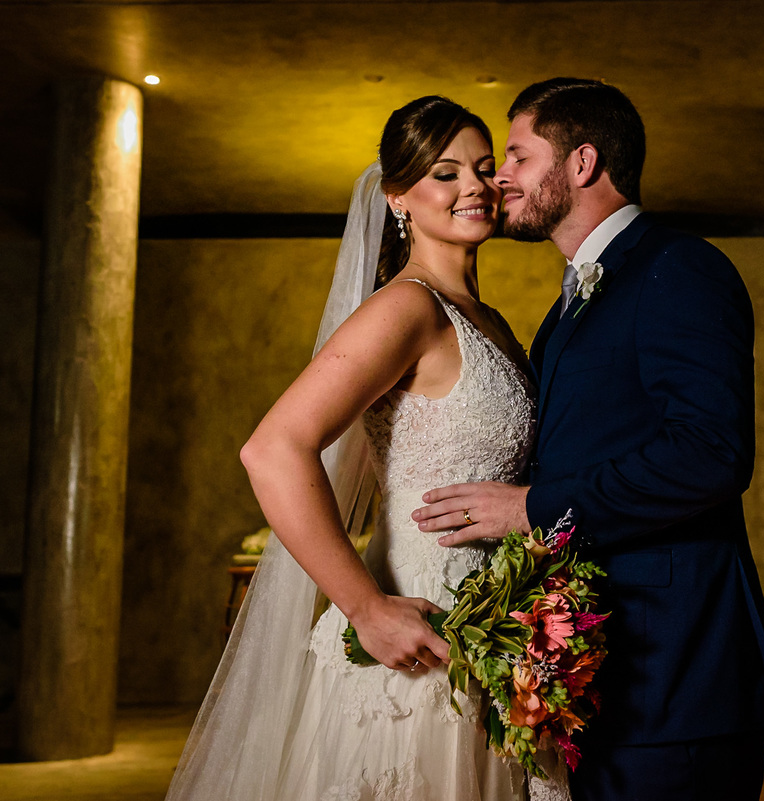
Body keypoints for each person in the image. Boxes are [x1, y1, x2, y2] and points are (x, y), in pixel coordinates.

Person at [413, 78, 764, 800]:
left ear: (581, 163)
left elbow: (710, 452)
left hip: (676, 676)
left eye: (519, 157)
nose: (501, 178)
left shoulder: (678, 267)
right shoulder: (564, 310)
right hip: (596, 674)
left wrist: (534, 506)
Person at [165, 96, 549, 801]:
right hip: (421, 637)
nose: (473, 186)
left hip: (496, 638)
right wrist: (367, 608)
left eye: (485, 168)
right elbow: (273, 448)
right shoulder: (407, 307)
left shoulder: (487, 319)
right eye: (445, 172)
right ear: (398, 197)